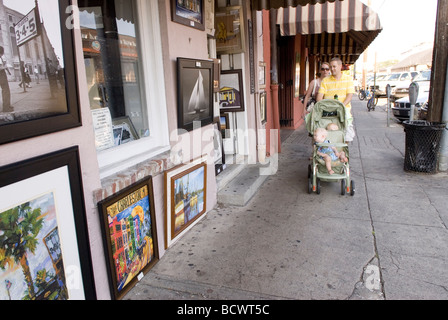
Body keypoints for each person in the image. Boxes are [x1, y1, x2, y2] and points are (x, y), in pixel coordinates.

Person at [316, 57, 356, 141]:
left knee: (346, 135)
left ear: (340, 66)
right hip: (328, 112)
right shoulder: (325, 80)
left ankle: (343, 152)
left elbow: (349, 95)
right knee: (321, 133)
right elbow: (319, 97)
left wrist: (341, 106)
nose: (332, 69)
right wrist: (325, 107)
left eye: (334, 66)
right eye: (330, 67)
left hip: (344, 111)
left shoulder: (348, 79)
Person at [0, 46, 11, 113]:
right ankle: (6, 107)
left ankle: (7, 106)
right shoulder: (0, 57)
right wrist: (4, 66)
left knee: (5, 90)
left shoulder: (1, 58)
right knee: (6, 90)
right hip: (1, 74)